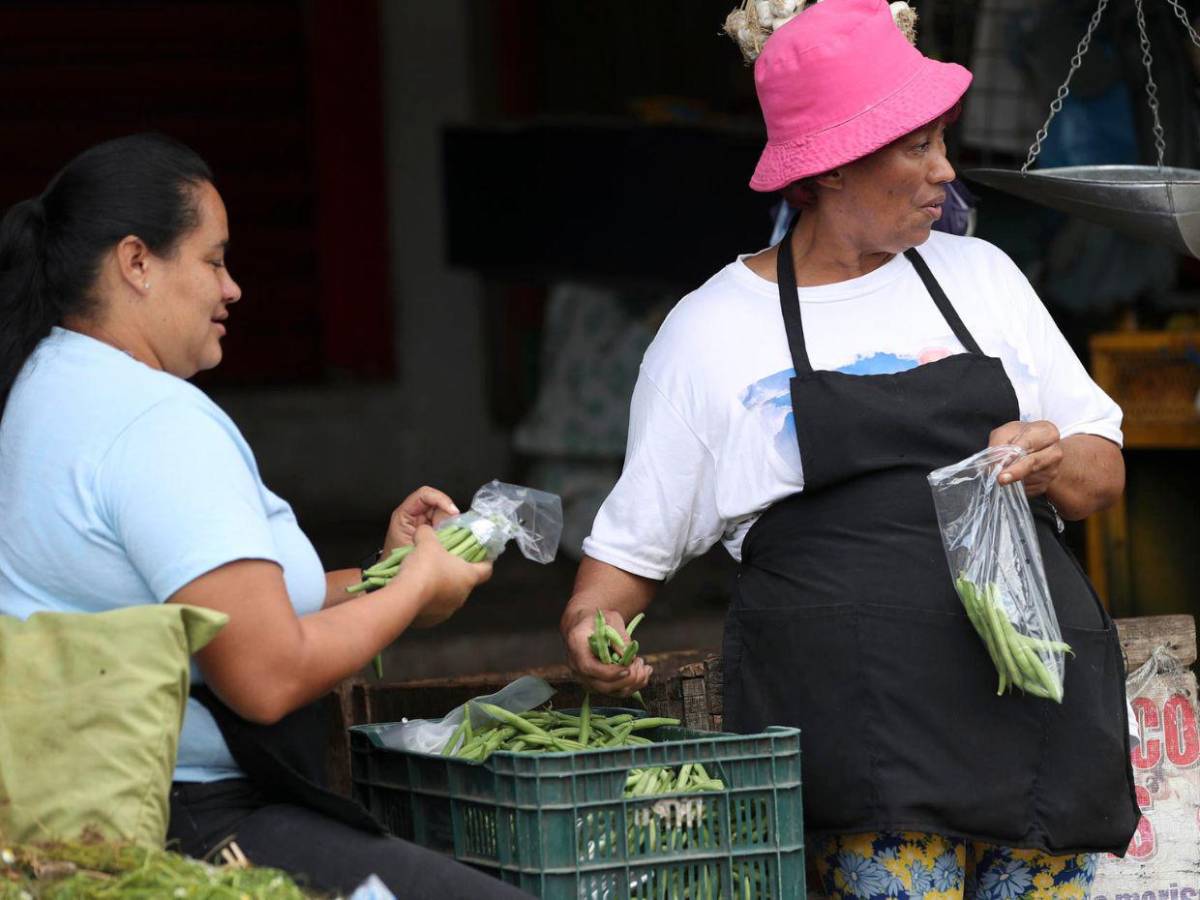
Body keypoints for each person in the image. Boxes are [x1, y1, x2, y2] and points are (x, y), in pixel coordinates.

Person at [560, 1, 1139, 897]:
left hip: (1036, 721)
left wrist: (1053, 458)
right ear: (828, 167)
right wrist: (589, 634)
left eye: (941, 141)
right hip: (864, 741)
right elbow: (621, 570)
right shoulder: (713, 333)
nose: (945, 170)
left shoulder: (983, 278)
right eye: (917, 148)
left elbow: (1104, 474)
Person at [0, 133, 530, 898]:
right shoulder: (156, 422)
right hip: (190, 822)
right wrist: (417, 587)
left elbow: (217, 605)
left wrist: (382, 575)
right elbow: (266, 675)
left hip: (68, 807)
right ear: (137, 262)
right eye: (214, 261)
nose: (233, 288)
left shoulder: (43, 383)